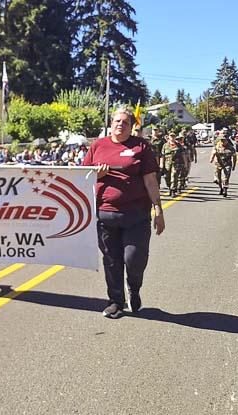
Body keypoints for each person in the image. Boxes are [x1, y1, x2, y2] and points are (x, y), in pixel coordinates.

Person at [82, 107, 165, 319]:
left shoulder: (141, 147)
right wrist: (96, 175)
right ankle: (115, 302)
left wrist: (158, 209)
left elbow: (150, 180)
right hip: (105, 215)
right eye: (117, 121)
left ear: (132, 126)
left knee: (134, 259)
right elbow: (82, 178)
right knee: (111, 260)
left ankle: (134, 287)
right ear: (111, 124)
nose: (120, 125)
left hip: (136, 215)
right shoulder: (97, 146)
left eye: (125, 122)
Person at [160, 133, 189, 197]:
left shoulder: (178, 145)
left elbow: (183, 155)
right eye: (171, 136)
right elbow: (162, 155)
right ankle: (170, 188)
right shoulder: (165, 145)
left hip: (176, 163)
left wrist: (186, 163)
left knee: (174, 176)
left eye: (173, 136)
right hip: (167, 163)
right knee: (167, 177)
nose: (172, 138)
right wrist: (161, 164)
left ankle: (173, 190)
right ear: (169, 137)